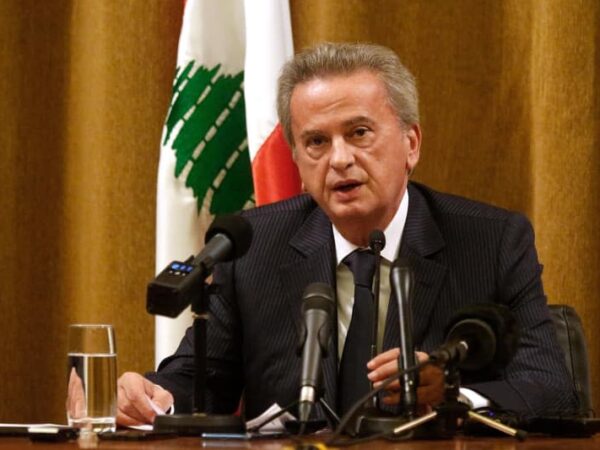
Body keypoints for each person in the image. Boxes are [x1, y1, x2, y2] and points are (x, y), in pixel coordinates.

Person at [116, 42, 577, 427]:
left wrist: (451, 396)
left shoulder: (491, 241)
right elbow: (200, 381)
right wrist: (155, 398)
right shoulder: (255, 245)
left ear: (411, 144)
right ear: (297, 162)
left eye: (359, 133)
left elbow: (552, 389)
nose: (339, 159)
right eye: (316, 141)